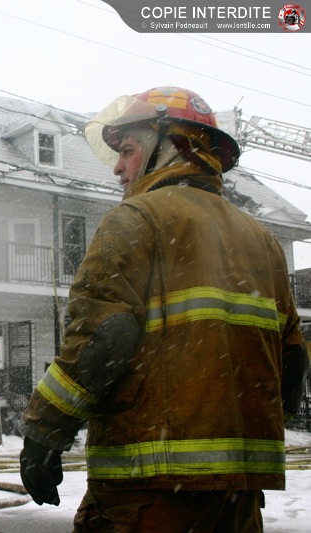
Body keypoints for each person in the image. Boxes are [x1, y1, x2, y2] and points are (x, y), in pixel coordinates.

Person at [19, 86, 310, 532]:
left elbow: (103, 338)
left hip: (148, 492)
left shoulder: (136, 219)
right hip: (238, 499)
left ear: (173, 146)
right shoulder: (263, 241)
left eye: (128, 150)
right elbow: (292, 363)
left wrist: (44, 432)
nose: (117, 167)